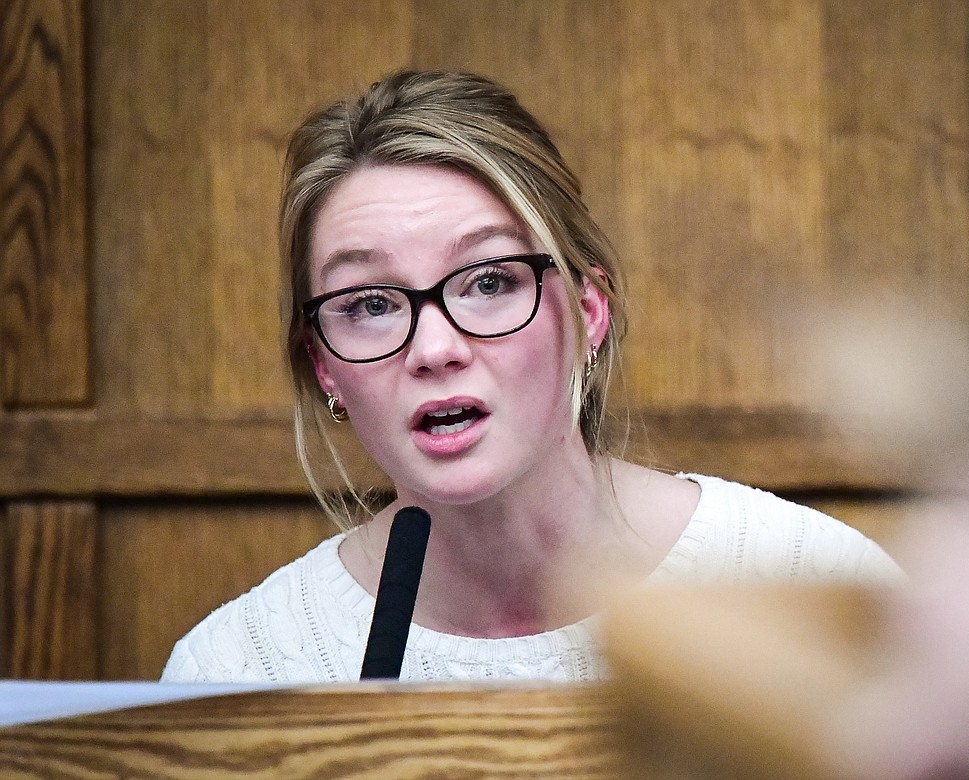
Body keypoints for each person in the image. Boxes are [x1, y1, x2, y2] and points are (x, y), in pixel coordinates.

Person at [161, 69, 901, 684]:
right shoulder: (235, 668)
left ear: (588, 315)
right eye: (372, 304)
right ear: (323, 363)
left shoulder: (812, 586)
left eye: (487, 282)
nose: (435, 348)